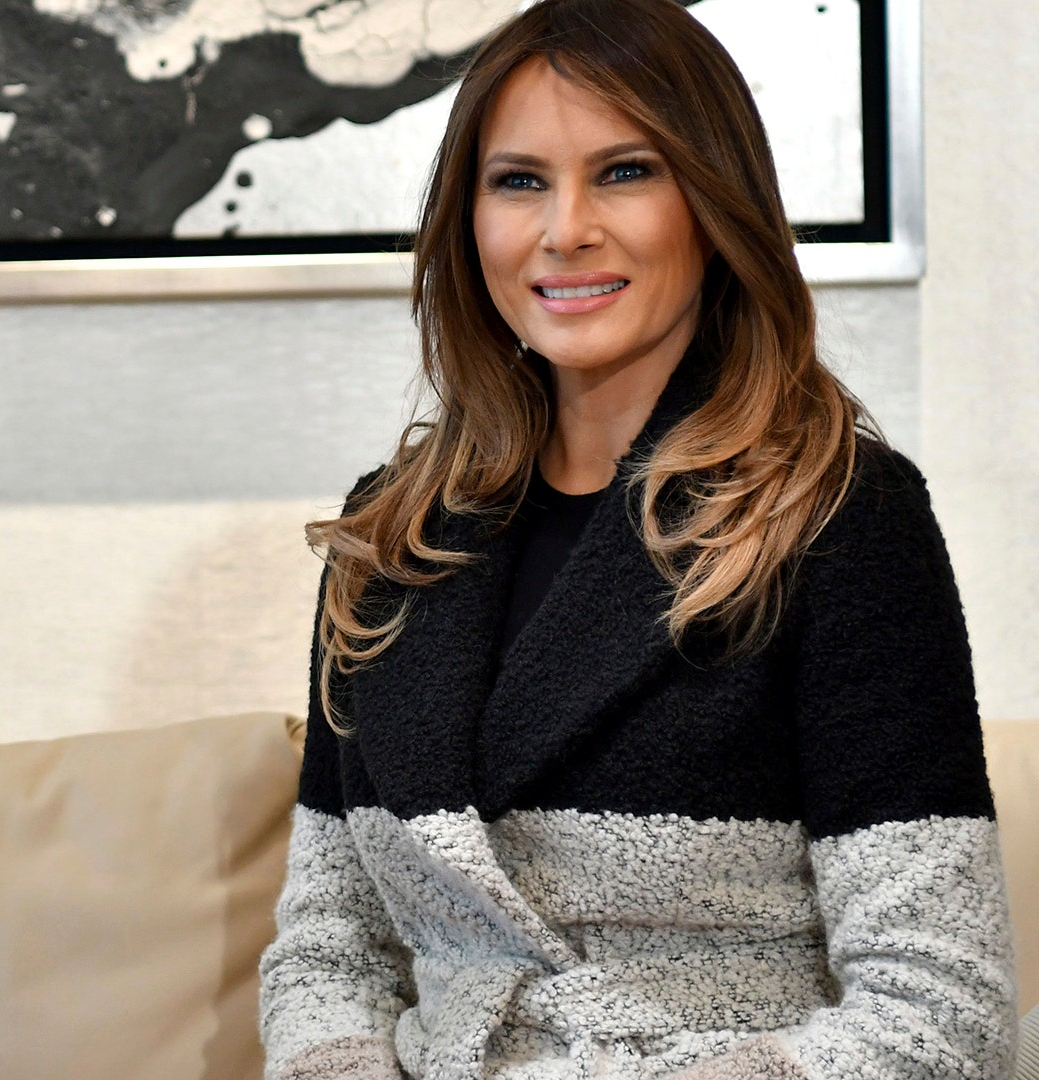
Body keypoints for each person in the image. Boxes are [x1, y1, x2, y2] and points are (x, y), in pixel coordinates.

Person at [258, 1, 1017, 1077]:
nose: (566, 228)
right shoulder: (392, 534)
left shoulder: (842, 515)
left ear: (713, 201)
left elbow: (940, 1013)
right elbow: (328, 952)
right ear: (468, 223)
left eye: (625, 172)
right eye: (519, 181)